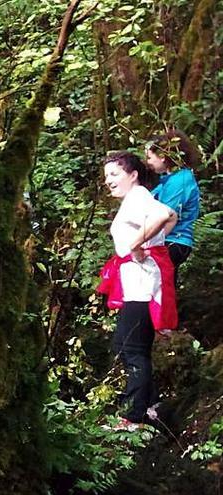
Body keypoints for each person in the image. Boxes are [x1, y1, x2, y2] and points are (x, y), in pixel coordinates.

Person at [96, 151, 178, 430]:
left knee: (132, 349)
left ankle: (132, 416)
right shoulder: (136, 198)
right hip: (137, 285)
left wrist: (137, 245)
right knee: (126, 346)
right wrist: (148, 243)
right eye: (107, 176)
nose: (109, 181)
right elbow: (172, 216)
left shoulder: (139, 197)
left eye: (115, 174)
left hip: (142, 287)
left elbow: (165, 214)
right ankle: (149, 405)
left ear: (133, 175)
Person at [145, 128, 201, 270]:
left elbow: (164, 215)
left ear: (163, 156)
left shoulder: (180, 180)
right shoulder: (169, 180)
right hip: (166, 240)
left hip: (174, 241)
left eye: (150, 158)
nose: (148, 163)